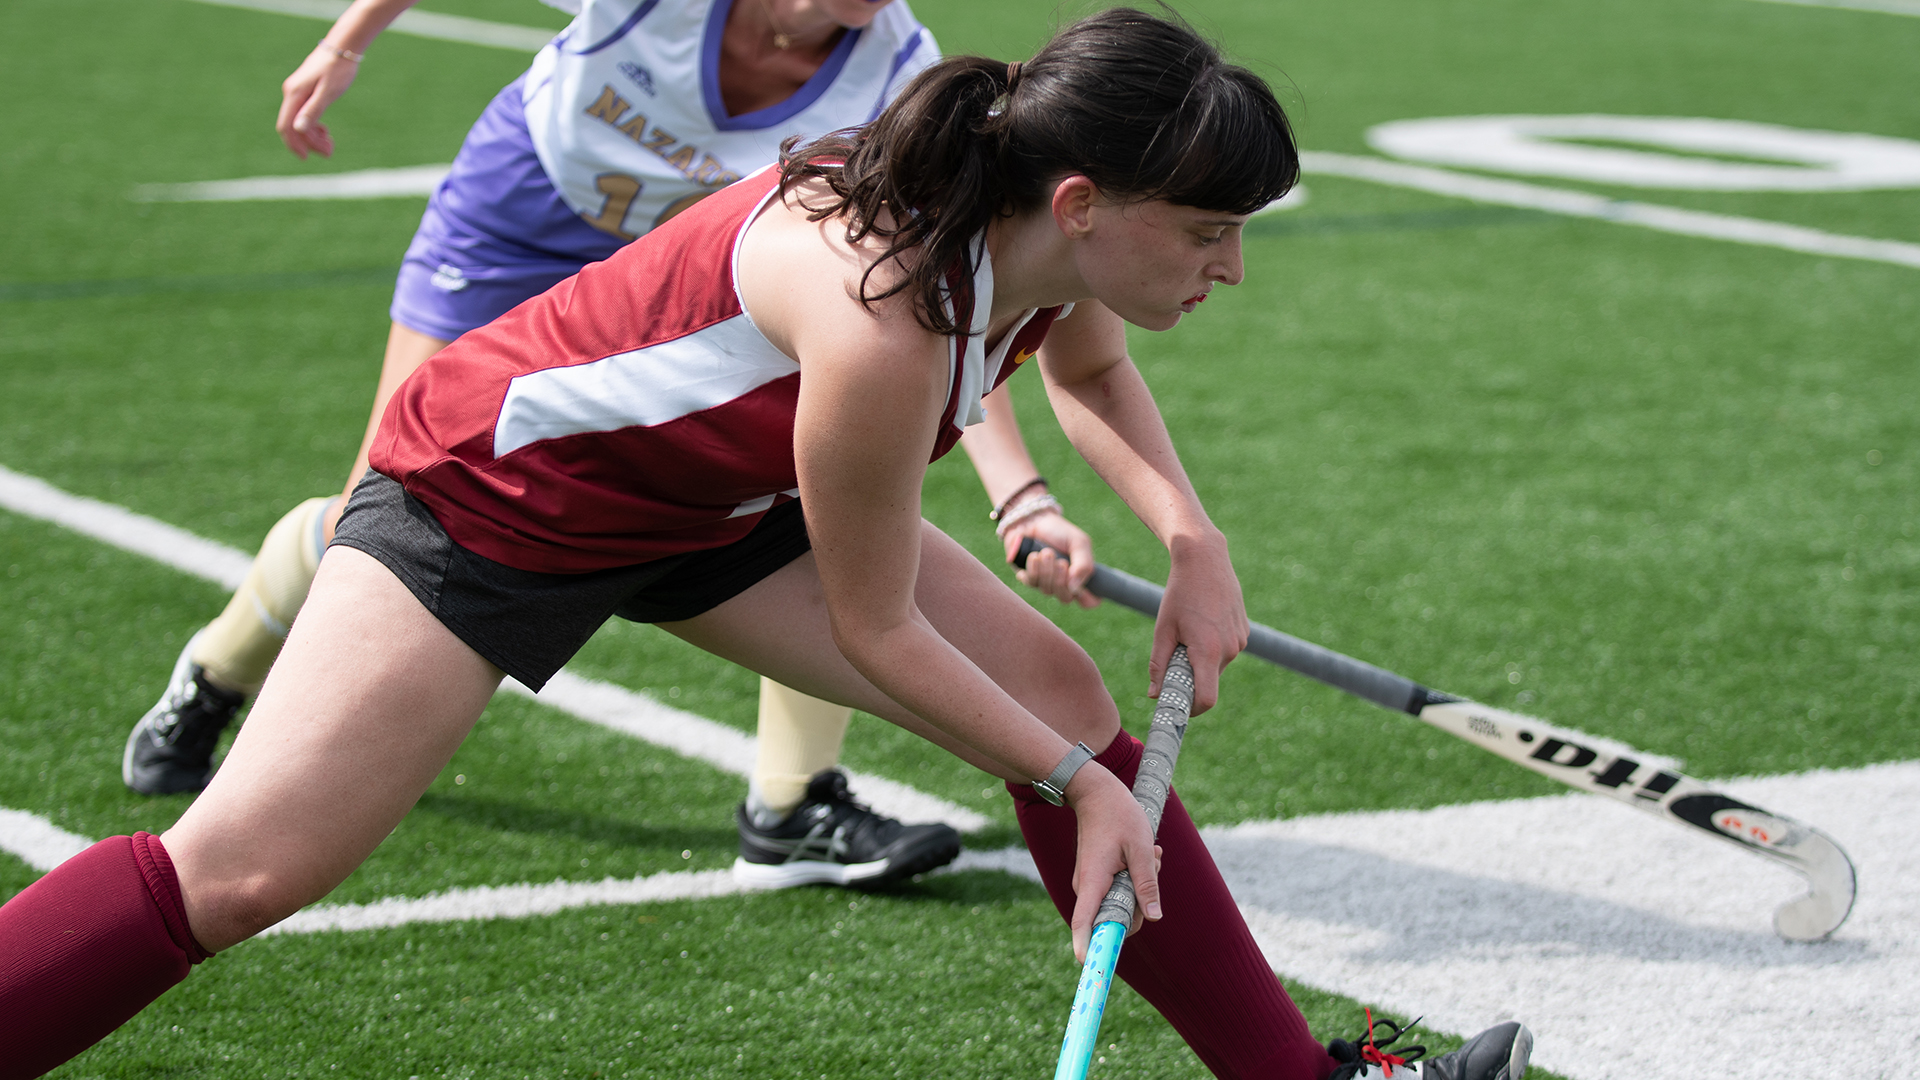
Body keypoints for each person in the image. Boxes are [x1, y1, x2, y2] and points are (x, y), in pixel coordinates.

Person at [3, 11, 1533, 1079]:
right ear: (1083, 200)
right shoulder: (884, 310)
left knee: (1064, 702)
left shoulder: (1040, 246)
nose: (1232, 267)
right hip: (497, 495)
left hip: (711, 506)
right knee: (247, 870)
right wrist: (1081, 787)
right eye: (1206, 231)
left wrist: (1192, 539)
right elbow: (877, 628)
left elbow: (1089, 374)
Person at [119, 0, 1102, 890]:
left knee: (810, 496)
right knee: (379, 517)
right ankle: (218, 672)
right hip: (521, 221)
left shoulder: (900, 67)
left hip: (702, 264)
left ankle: (792, 800)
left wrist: (1019, 492)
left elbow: (929, 315)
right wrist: (345, 44)